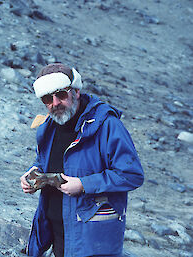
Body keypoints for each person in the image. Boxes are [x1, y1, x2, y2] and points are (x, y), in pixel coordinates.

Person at [20, 63, 144, 257]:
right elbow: (43, 161)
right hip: (57, 230)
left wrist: (84, 185)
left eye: (60, 94)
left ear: (76, 92)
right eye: (47, 99)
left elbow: (131, 174)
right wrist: (33, 173)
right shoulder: (48, 127)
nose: (55, 103)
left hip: (92, 237)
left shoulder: (107, 125)